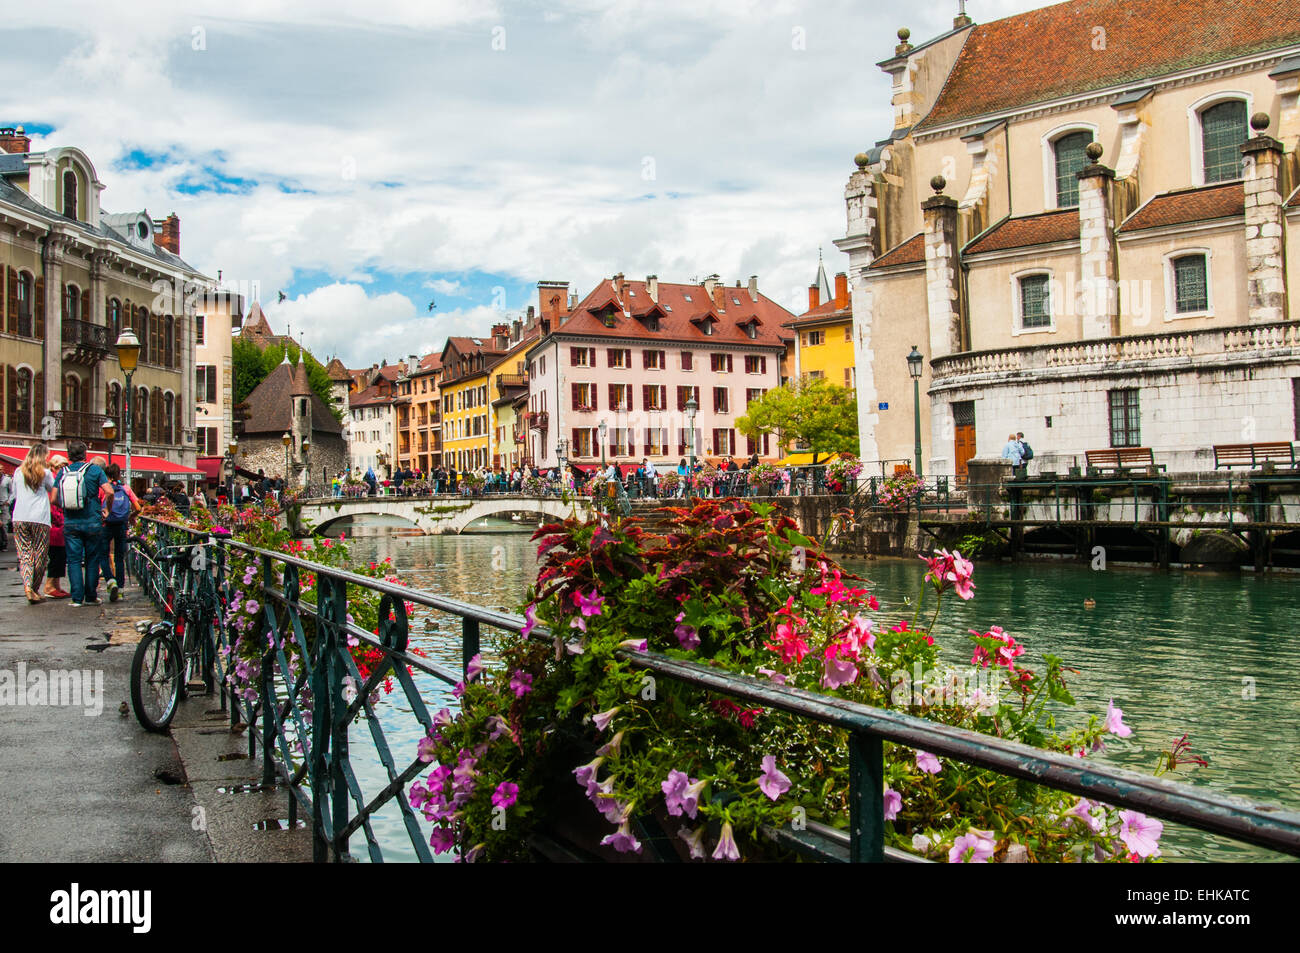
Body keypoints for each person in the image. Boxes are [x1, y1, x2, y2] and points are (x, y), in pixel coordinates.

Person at [60, 440, 112, 607]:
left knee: (74, 560)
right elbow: (109, 491)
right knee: (92, 558)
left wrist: (67, 507)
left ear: (69, 455)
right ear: (85, 454)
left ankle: (76, 598)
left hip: (71, 522)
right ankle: (91, 596)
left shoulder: (63, 471)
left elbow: (53, 497)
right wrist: (106, 510)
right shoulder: (95, 470)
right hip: (92, 521)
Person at [12, 444, 57, 603]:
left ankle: (27, 587)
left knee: (24, 555)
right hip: (40, 517)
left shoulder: (18, 472)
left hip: (19, 516)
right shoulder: (46, 473)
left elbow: (14, 494)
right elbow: (54, 490)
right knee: (40, 556)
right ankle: (34, 589)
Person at [102, 462, 139, 599]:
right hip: (121, 525)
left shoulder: (104, 489)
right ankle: (121, 589)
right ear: (119, 474)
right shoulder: (126, 488)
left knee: (103, 554)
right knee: (119, 557)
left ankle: (110, 581)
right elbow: (138, 507)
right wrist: (131, 517)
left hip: (106, 524)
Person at [45, 499, 69, 600]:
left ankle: (56, 586)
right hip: (54, 533)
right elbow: (55, 516)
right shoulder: (50, 499)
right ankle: (49, 586)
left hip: (60, 533)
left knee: (61, 559)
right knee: (55, 560)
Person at [0, 465, 12, 551]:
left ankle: (4, 543)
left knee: (3, 525)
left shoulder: (7, 480)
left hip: (4, 504)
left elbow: (12, 492)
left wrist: (9, 501)